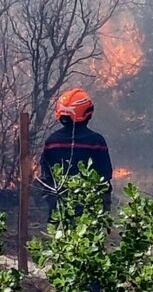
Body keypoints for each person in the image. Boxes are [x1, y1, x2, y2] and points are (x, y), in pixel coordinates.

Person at [39, 87, 114, 222]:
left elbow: (46, 178)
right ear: (88, 113)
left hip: (60, 210)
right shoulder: (97, 141)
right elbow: (105, 175)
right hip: (90, 213)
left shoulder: (52, 142)